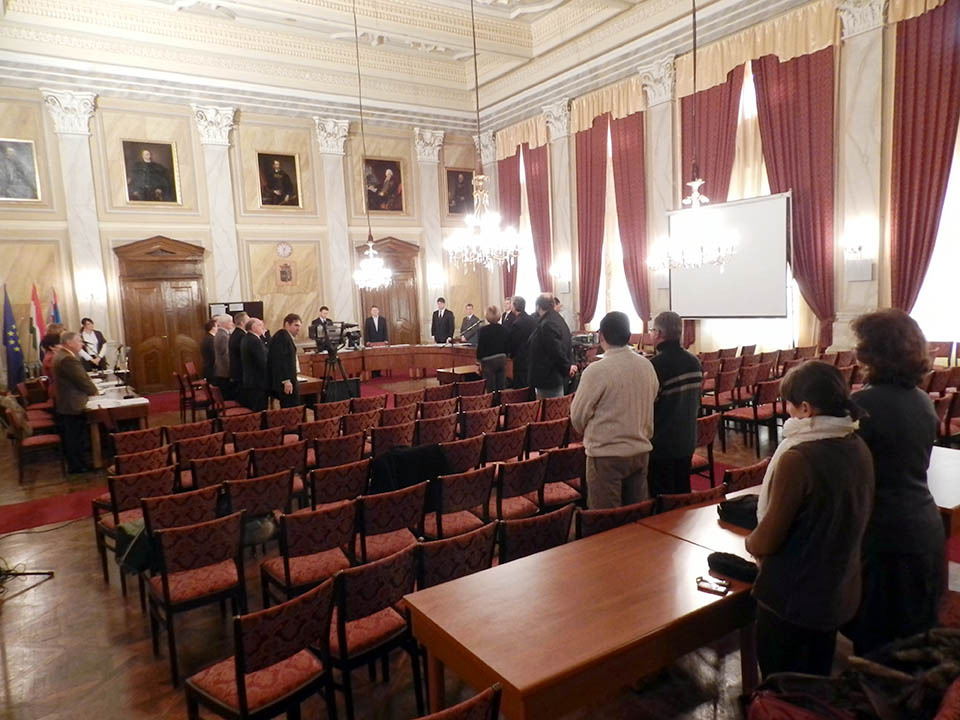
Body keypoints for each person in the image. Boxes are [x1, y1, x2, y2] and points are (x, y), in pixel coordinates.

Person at [746, 361, 874, 678]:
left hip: (793, 598)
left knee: (780, 686)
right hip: (835, 588)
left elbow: (767, 540)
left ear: (805, 408)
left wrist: (751, 541)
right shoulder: (856, 443)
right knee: (816, 678)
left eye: (788, 404)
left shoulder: (799, 457)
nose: (786, 411)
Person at [843, 309, 945, 655]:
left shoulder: (862, 404)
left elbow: (846, 475)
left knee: (878, 648)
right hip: (924, 526)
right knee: (915, 641)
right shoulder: (922, 400)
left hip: (884, 536)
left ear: (874, 351)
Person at [570, 312, 658, 509]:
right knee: (637, 518)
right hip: (640, 451)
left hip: (606, 456)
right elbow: (652, 398)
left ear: (601, 336)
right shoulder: (646, 365)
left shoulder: (596, 370)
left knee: (606, 521)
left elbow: (577, 417)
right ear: (628, 335)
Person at [648, 311, 704, 495]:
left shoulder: (656, 365)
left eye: (652, 331)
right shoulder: (694, 361)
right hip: (687, 439)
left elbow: (649, 406)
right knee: (682, 493)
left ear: (658, 333)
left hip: (661, 444)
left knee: (662, 499)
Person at [53, 331, 100, 473]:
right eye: (79, 341)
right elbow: (82, 380)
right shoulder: (67, 359)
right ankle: (78, 466)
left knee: (74, 435)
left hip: (68, 401)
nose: (82, 343)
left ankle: (79, 463)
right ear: (69, 343)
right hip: (72, 403)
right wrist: (94, 391)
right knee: (75, 437)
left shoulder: (63, 355)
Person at [527, 293, 576, 399]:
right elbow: (567, 344)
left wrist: (567, 367)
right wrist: (569, 365)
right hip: (555, 375)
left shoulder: (547, 323)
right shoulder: (558, 319)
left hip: (548, 376)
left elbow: (556, 351)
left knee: (549, 407)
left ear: (538, 307)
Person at [268, 313, 302, 408]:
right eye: (296, 325)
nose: (298, 329)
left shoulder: (286, 336)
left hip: (289, 379)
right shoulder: (282, 337)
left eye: (299, 326)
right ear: (287, 324)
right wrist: (286, 380)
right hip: (286, 381)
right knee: (290, 408)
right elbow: (281, 360)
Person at [476, 306, 508, 392]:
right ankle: (501, 400)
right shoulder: (504, 329)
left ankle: (493, 400)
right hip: (501, 358)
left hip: (488, 361)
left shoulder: (483, 330)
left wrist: (478, 362)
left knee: (491, 388)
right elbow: (507, 345)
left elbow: (480, 348)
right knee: (501, 387)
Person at [240, 318, 269, 411]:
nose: (263, 327)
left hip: (251, 379)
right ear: (253, 327)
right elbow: (262, 361)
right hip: (257, 380)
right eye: (260, 325)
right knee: (259, 408)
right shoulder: (254, 341)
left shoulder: (247, 338)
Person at [507, 296, 536, 389]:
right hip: (531, 356)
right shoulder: (532, 319)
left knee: (521, 386)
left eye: (511, 304)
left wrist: (511, 355)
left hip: (521, 359)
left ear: (515, 306)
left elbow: (514, 343)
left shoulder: (517, 323)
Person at [228, 311, 248, 399]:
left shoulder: (235, 333)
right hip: (240, 371)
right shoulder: (241, 335)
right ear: (242, 323)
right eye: (248, 320)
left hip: (236, 370)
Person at [213, 314, 232, 388]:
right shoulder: (223, 335)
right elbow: (225, 354)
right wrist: (231, 370)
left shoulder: (220, 333)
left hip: (220, 369)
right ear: (224, 323)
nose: (232, 323)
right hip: (224, 370)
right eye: (230, 321)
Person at [200, 318, 217, 383]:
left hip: (209, 368)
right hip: (212, 370)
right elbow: (214, 355)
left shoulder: (207, 338)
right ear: (213, 328)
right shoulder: (211, 339)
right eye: (217, 326)